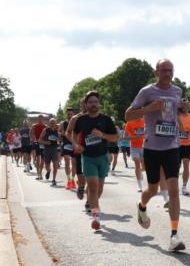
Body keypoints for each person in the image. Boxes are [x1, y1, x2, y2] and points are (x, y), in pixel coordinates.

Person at [126, 59, 186, 251]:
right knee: (152, 189)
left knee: (173, 189)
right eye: (164, 70)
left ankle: (174, 235)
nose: (168, 74)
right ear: (156, 72)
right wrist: (148, 109)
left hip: (172, 146)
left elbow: (174, 114)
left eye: (171, 70)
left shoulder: (177, 91)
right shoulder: (147, 92)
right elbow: (128, 115)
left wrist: (183, 110)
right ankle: (142, 206)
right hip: (152, 147)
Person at [69, 92, 119, 230]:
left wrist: (102, 135)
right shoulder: (81, 120)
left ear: (99, 103)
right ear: (86, 104)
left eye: (96, 101)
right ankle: (96, 217)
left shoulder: (106, 120)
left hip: (102, 157)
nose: (93, 104)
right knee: (92, 187)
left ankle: (91, 203)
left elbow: (116, 137)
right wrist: (75, 145)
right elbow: (73, 133)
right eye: (90, 102)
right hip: (88, 157)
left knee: (100, 188)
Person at [177, 100, 190, 196]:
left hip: (187, 144)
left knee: (186, 165)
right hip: (176, 145)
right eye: (184, 105)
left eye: (188, 105)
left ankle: (184, 186)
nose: (187, 106)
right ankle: (173, 185)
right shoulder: (176, 116)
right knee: (176, 167)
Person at [125, 117, 146, 191]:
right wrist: (134, 138)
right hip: (134, 147)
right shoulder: (129, 123)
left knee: (144, 167)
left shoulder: (145, 121)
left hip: (144, 146)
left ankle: (140, 171)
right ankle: (139, 185)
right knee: (137, 163)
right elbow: (126, 137)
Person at [39, 118, 61, 186]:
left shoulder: (58, 132)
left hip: (55, 149)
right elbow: (39, 140)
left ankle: (54, 179)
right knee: (47, 165)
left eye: (53, 122)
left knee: (55, 165)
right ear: (49, 123)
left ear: (56, 123)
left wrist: (59, 142)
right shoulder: (45, 130)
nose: (52, 124)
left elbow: (60, 141)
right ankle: (48, 171)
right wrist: (46, 142)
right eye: (51, 123)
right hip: (47, 149)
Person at [30, 115, 47, 179]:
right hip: (36, 143)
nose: (40, 120)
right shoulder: (34, 126)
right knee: (38, 159)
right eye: (39, 118)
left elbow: (47, 135)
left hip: (43, 144)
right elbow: (31, 133)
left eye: (41, 118)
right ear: (37, 119)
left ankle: (40, 172)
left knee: (42, 160)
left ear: (43, 119)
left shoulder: (45, 126)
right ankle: (38, 174)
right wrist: (33, 139)